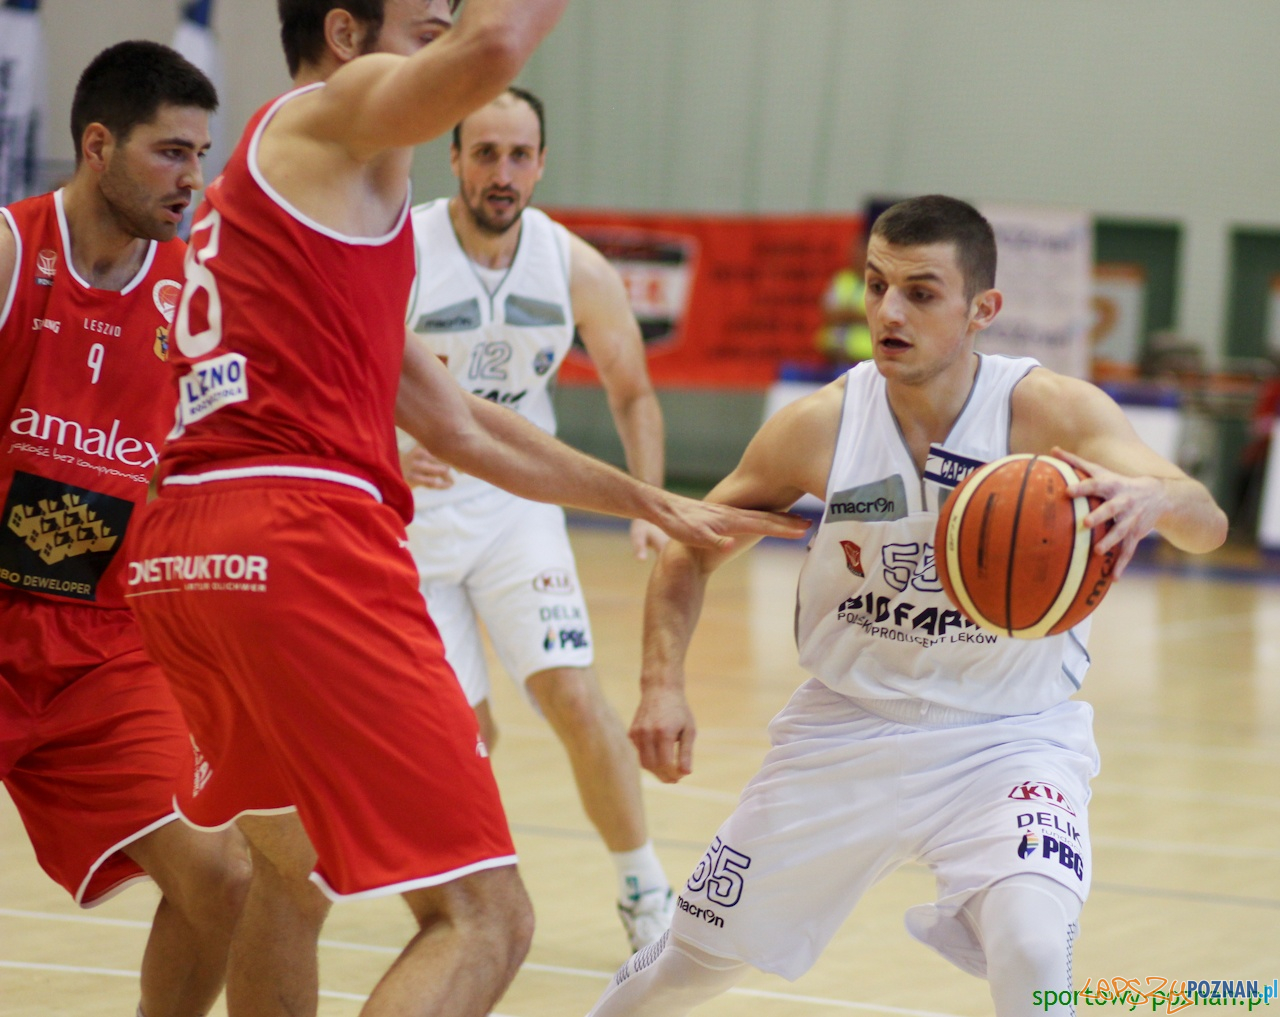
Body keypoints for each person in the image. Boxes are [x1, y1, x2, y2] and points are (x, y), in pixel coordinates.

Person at [122, 4, 807, 1017]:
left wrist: (651, 498)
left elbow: (462, 426)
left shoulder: (300, 204)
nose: (448, 53)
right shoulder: (334, 108)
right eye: (427, 28)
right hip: (299, 537)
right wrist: (483, 37)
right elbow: (497, 48)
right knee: (487, 918)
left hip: (185, 554)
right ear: (347, 33)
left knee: (288, 874)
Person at [586, 195, 1228, 1017]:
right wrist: (661, 683)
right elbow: (691, 544)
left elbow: (1205, 517)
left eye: (921, 292)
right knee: (690, 964)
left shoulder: (1047, 414)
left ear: (982, 310)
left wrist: (1152, 499)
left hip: (1008, 737)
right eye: (876, 284)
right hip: (844, 728)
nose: (889, 311)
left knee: (1032, 948)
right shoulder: (821, 427)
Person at [0, 41, 250, 1017]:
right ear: (96, 144)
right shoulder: (17, 253)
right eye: (170, 152)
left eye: (201, 154)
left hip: (102, 648)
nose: (193, 178)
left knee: (219, 877)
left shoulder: (198, 294)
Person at [401, 86, 674, 951]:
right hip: (407, 521)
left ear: (542, 163)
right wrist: (381, 442)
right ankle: (465, 892)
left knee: (575, 695)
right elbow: (326, 367)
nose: (502, 172)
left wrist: (651, 504)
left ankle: (646, 892)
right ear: (453, 160)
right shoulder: (399, 248)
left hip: (515, 505)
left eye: (519, 155)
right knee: (459, 731)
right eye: (485, 153)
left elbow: (633, 391)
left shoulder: (574, 267)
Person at [814, 229, 872, 364]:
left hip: (866, 358)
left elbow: (877, 320)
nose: (856, 257)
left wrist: (849, 315)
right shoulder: (841, 279)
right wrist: (855, 315)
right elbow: (827, 313)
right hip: (833, 356)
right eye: (854, 253)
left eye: (861, 254)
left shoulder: (881, 283)